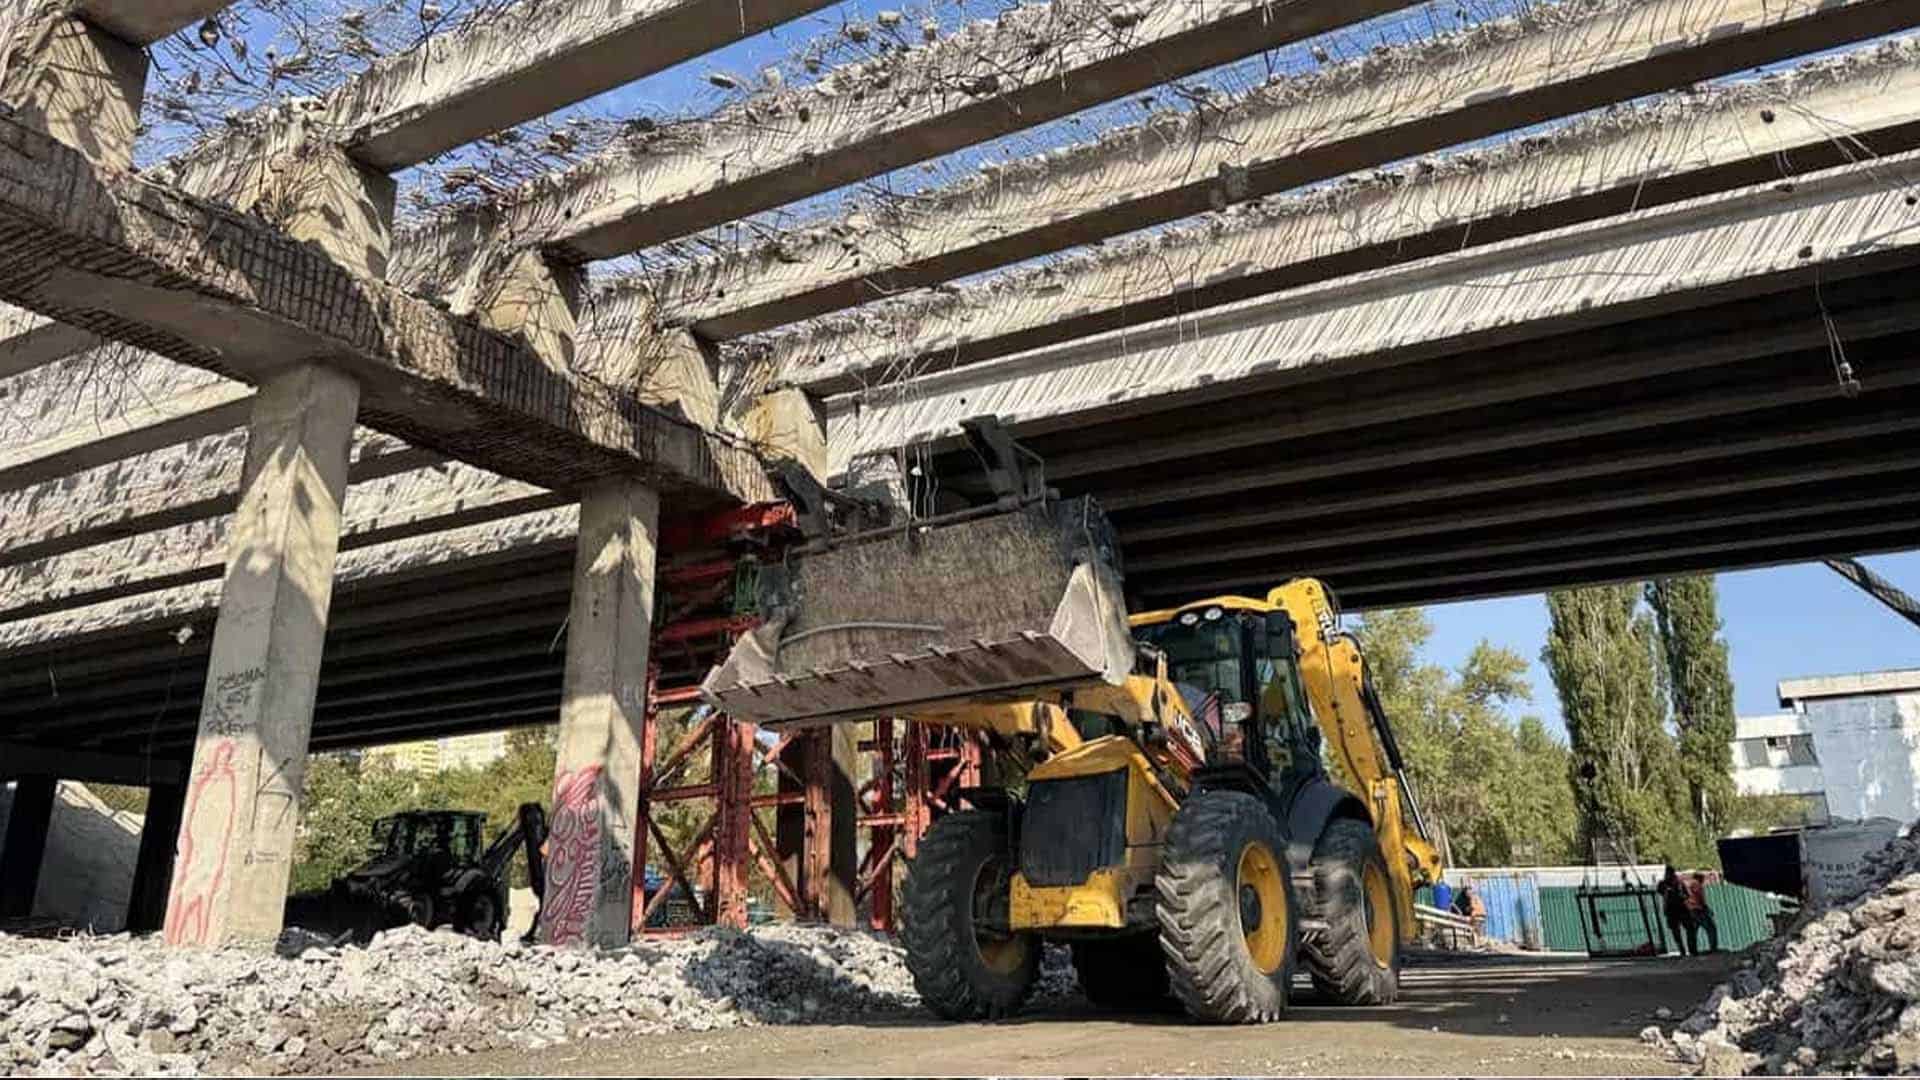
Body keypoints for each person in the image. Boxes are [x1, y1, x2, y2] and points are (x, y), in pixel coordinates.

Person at [1658, 865, 1695, 956]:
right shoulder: (1665, 884)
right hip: (1675, 910)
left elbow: (1686, 895)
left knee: (1686, 929)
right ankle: (1686, 950)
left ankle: (1690, 950)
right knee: (1680, 931)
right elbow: (1660, 891)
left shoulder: (1678, 883)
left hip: (1679, 909)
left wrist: (1680, 895)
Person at [1687, 872, 1720, 954]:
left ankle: (1692, 950)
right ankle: (1713, 948)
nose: (1703, 881)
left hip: (1690, 910)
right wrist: (1706, 908)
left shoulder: (1688, 884)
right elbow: (1700, 897)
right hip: (1698, 910)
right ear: (1700, 878)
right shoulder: (1697, 884)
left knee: (1693, 931)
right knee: (1711, 928)